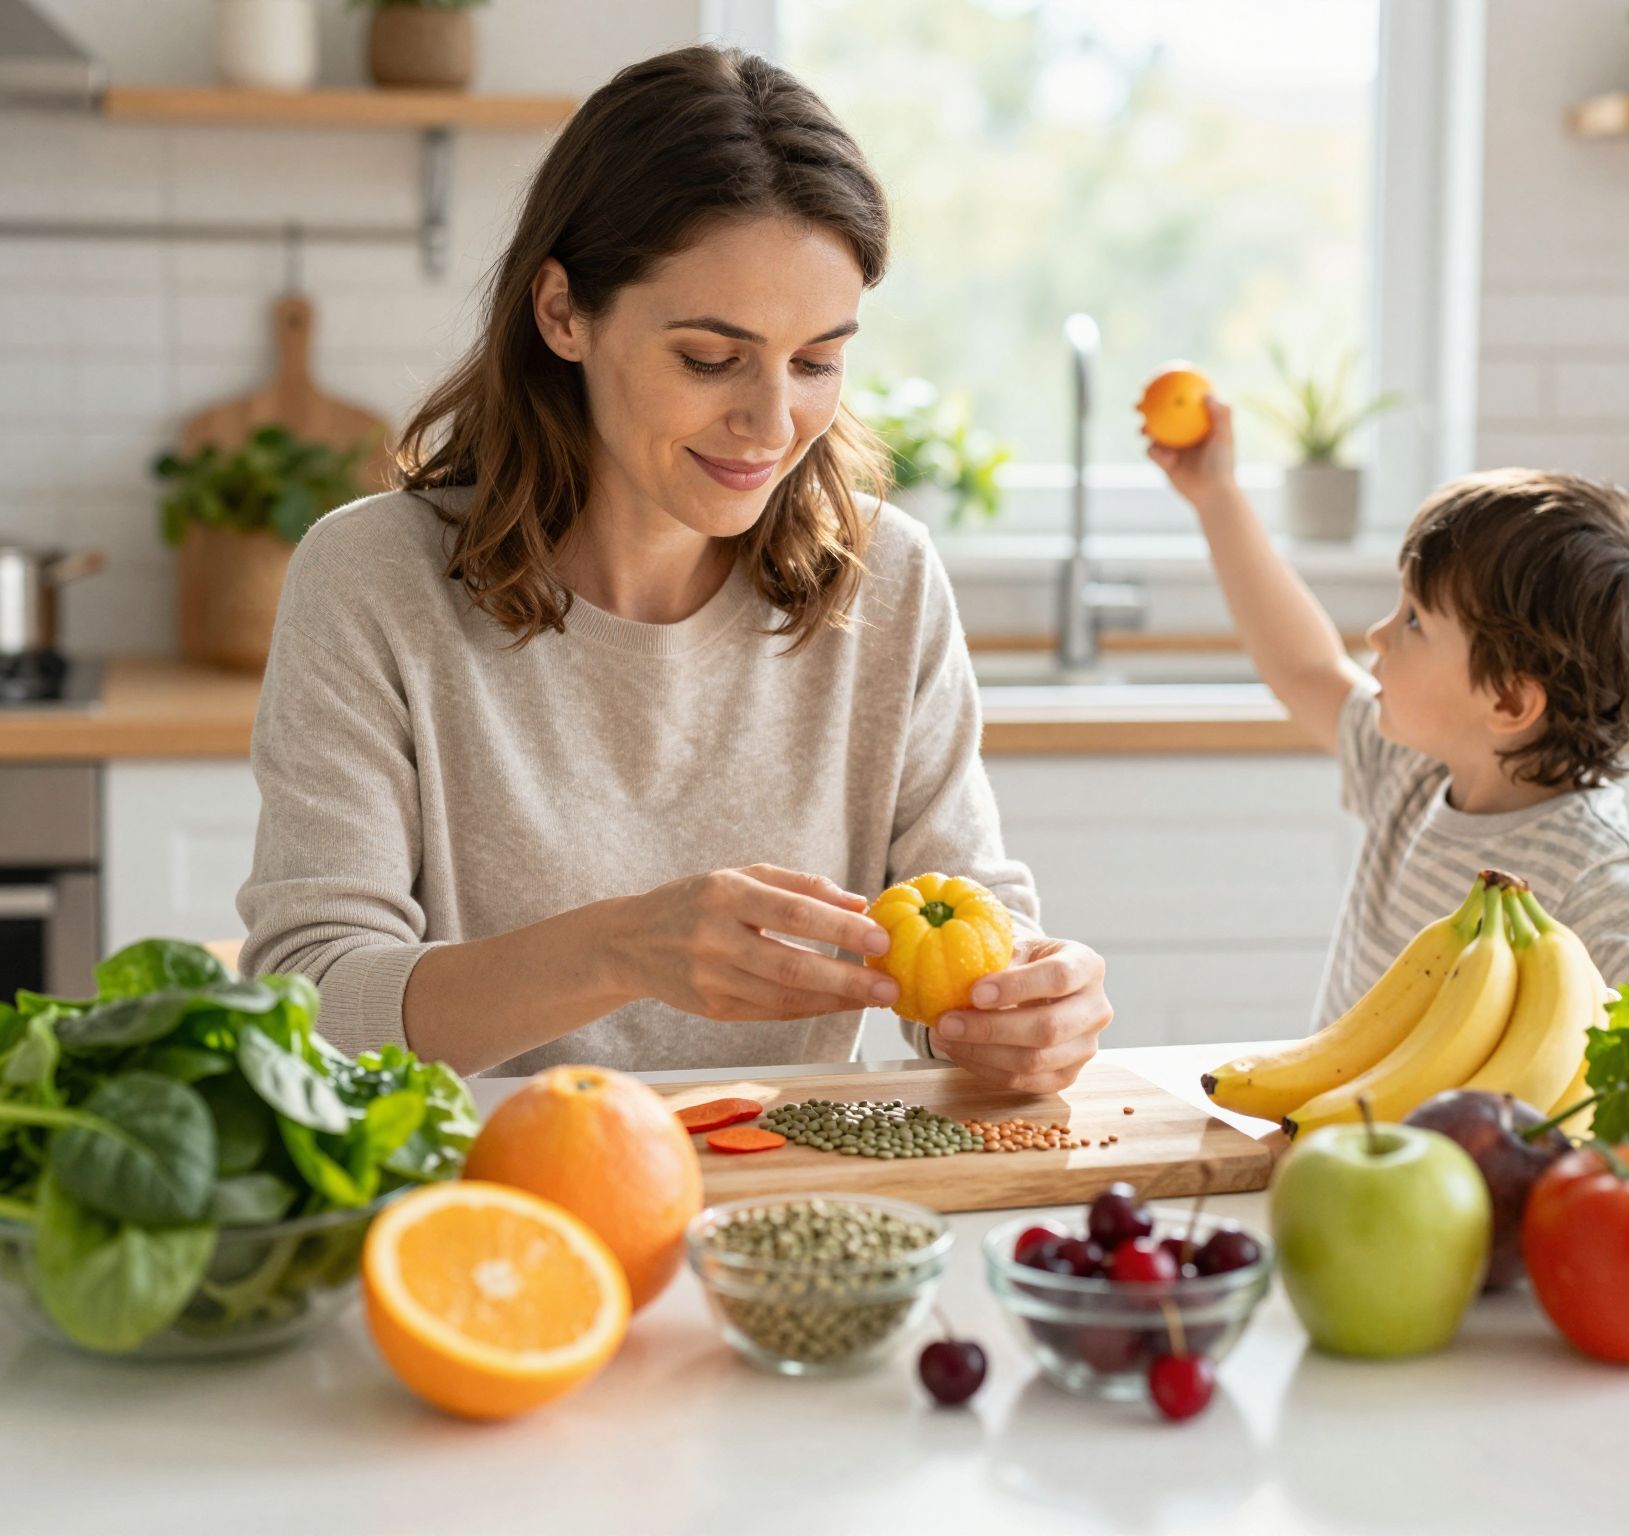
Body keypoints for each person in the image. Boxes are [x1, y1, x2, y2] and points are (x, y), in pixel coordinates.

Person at [236, 46, 1112, 1087]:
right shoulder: (372, 579)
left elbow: (964, 934)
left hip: (791, 1214)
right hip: (494, 1216)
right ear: (562, 312)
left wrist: (1022, 1006)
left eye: (818, 361)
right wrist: (615, 951)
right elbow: (311, 1014)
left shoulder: (888, 578)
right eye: (709, 358)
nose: (769, 422)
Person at [1152, 399, 1629, 1021]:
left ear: (1507, 699)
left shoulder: (1590, 871)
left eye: (1414, 619)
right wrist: (1217, 496)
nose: (1378, 634)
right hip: (1340, 1121)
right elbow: (1304, 668)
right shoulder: (1416, 771)